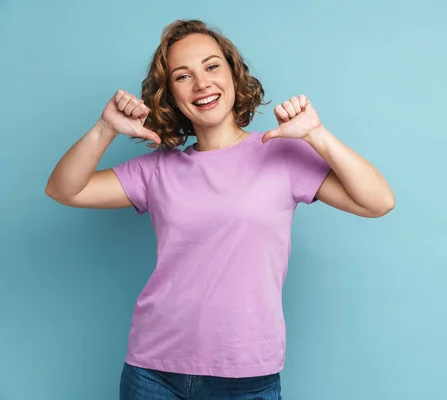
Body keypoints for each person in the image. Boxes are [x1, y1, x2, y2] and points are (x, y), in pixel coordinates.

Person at [45, 19, 394, 400]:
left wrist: (317, 134)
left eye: (212, 66)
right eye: (183, 76)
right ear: (170, 93)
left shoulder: (281, 153)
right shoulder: (157, 169)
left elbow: (378, 202)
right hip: (152, 372)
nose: (201, 84)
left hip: (246, 376)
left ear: (233, 73)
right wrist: (105, 128)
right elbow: (65, 189)